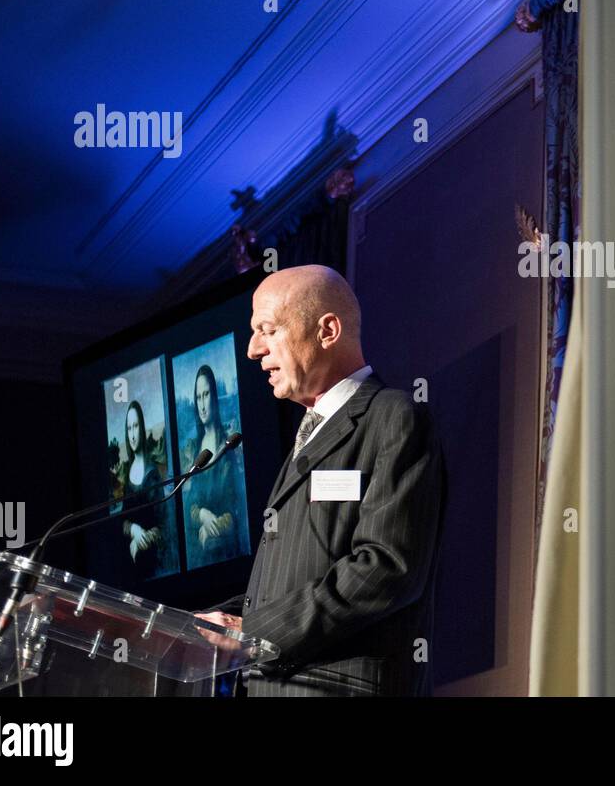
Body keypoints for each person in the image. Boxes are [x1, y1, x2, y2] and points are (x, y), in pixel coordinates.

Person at [197, 265, 446, 697]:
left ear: (327, 330)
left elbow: (388, 568)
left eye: (267, 330)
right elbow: (290, 582)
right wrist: (203, 625)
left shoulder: (393, 417)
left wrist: (252, 631)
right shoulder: (309, 434)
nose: (253, 349)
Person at [182, 364, 249, 568]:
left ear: (215, 397)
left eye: (206, 394)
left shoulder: (231, 444)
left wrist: (214, 527)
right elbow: (188, 506)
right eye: (198, 397)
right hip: (200, 555)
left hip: (231, 553)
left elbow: (238, 508)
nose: (202, 404)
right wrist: (202, 515)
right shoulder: (192, 450)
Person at [113, 400, 175, 580]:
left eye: (136, 426)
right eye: (129, 428)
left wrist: (141, 540)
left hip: (152, 562)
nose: (133, 434)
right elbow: (122, 520)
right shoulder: (126, 474)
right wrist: (134, 530)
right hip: (131, 563)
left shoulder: (153, 473)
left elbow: (163, 526)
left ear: (142, 427)